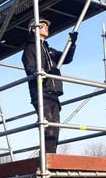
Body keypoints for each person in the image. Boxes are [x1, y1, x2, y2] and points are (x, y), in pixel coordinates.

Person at [22, 18, 77, 153]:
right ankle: (46, 160)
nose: (46, 27)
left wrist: (72, 43)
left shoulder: (49, 50)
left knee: (55, 127)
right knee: (48, 127)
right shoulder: (30, 48)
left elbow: (67, 58)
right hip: (41, 92)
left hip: (53, 93)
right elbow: (30, 69)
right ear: (34, 29)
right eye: (43, 25)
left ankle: (50, 158)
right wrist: (45, 73)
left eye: (47, 25)